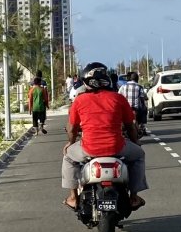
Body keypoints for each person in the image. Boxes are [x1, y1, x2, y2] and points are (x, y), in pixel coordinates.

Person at [62, 61, 147, 210]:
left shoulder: (79, 100)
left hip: (88, 148)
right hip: (117, 147)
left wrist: (71, 142)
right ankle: (133, 197)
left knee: (68, 157)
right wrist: (136, 142)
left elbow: (73, 128)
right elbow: (130, 126)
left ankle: (73, 197)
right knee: (139, 155)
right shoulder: (118, 98)